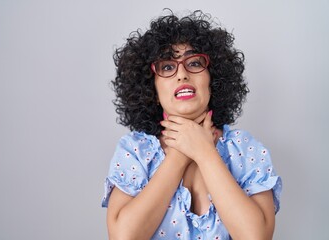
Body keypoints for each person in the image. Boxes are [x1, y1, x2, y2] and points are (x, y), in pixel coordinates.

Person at [101, 10, 282, 240]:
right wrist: (178, 155)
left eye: (194, 62)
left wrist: (205, 152)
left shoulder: (245, 149)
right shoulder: (135, 151)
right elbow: (123, 237)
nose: (182, 74)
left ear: (213, 78)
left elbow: (256, 237)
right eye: (167, 66)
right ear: (152, 89)